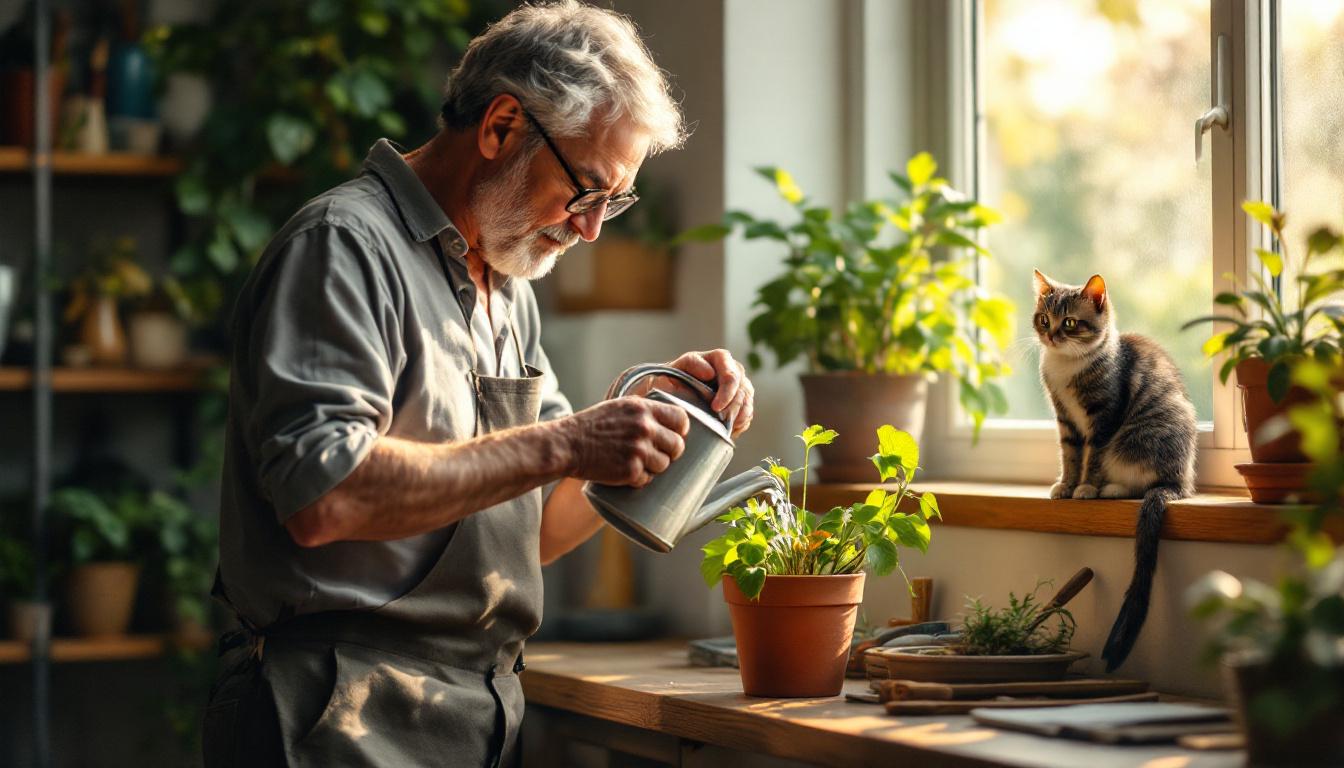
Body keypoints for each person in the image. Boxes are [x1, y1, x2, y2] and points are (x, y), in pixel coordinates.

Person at [202, 2, 755, 766]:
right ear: (500, 127)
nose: (591, 228)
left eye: (613, 202)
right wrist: (566, 442)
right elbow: (323, 496)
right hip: (331, 710)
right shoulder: (343, 248)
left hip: (479, 712)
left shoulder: (507, 282)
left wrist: (650, 426)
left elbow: (540, 530)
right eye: (586, 190)